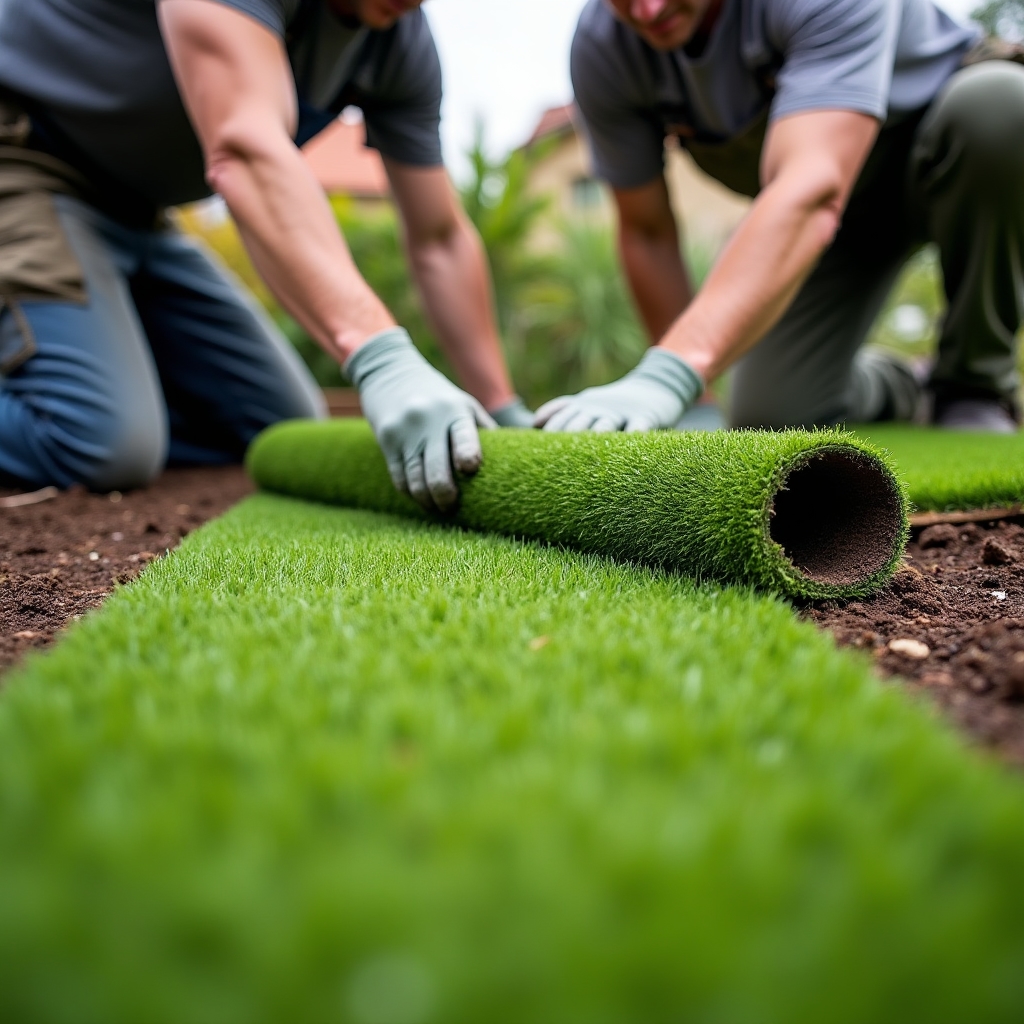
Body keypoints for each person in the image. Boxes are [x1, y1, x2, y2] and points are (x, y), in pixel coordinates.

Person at [0, 0, 532, 512]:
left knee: (276, 424)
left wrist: (501, 406)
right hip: (25, 156)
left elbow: (438, 238)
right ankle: (102, 409)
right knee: (100, 445)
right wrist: (384, 359)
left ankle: (113, 392)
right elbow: (243, 151)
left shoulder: (399, 42)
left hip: (144, 213)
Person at [537, 0, 1024, 434]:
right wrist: (694, 399)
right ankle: (907, 386)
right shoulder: (605, 50)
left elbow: (810, 187)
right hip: (838, 219)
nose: (647, 10)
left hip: (943, 159)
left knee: (997, 106)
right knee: (769, 418)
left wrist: (672, 371)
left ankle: (973, 385)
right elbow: (647, 231)